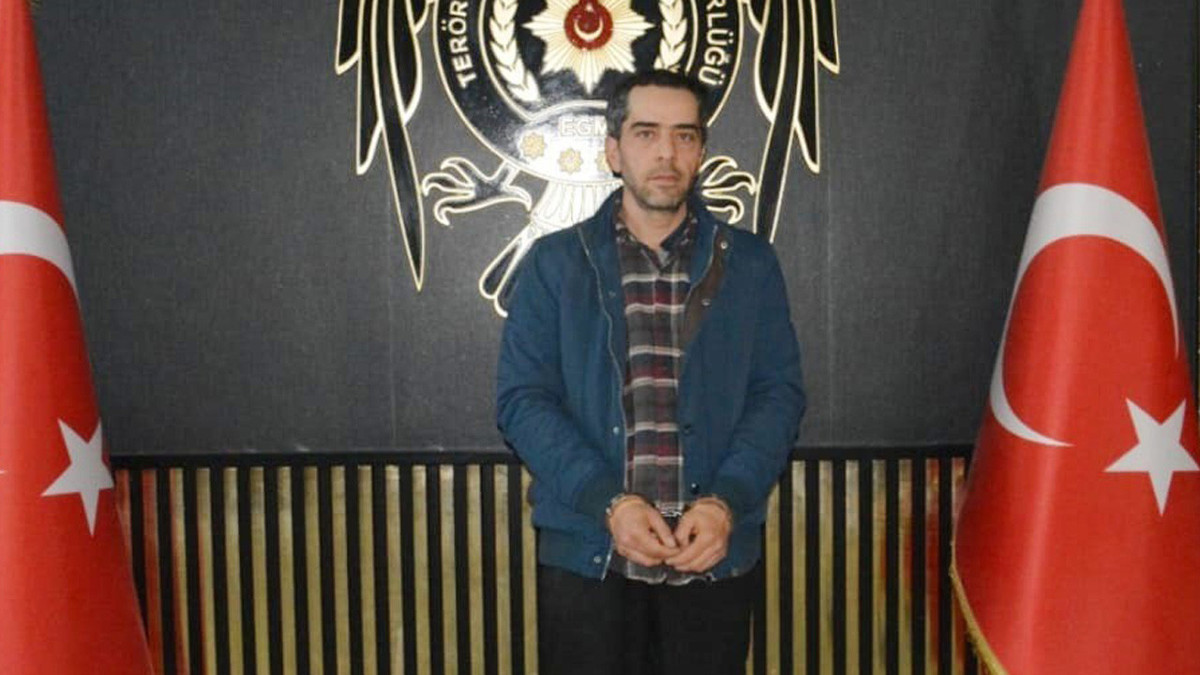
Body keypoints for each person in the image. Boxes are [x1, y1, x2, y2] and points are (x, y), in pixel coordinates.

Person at [496, 69, 805, 675]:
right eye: (646, 133)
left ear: (701, 152)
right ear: (613, 152)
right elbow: (523, 401)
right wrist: (608, 504)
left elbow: (778, 396)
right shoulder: (556, 264)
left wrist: (726, 503)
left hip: (712, 555)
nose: (667, 152)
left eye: (685, 135)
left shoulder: (750, 264)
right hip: (589, 556)